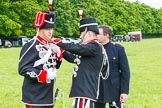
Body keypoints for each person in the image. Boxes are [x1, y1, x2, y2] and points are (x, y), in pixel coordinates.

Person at [52, 18, 107, 108]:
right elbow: (73, 58)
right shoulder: (89, 48)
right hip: (83, 91)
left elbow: (77, 48)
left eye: (82, 33)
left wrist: (58, 42)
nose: (80, 36)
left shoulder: (94, 46)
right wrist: (60, 50)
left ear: (88, 33)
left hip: (85, 91)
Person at [18, 10, 63, 108]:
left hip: (48, 95)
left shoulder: (50, 45)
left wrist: (59, 55)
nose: (50, 32)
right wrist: (44, 75)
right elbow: (23, 69)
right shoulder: (31, 45)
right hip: (35, 97)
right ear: (40, 29)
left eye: (51, 28)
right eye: (47, 29)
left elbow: (55, 66)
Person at [94, 25, 130, 108]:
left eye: (98, 34)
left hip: (114, 89)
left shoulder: (118, 49)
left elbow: (125, 71)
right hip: (98, 89)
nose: (96, 36)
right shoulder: (94, 49)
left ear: (106, 35)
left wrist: (124, 92)